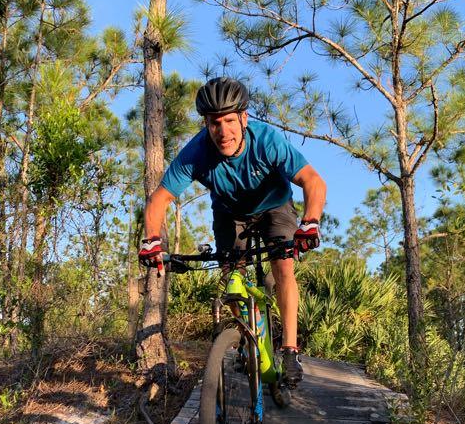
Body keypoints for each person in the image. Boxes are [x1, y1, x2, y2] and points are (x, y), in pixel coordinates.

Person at [138, 77, 327, 387]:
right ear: (206, 124)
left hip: (274, 207)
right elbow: (160, 198)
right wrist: (152, 240)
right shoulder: (197, 152)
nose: (222, 131)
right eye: (214, 123)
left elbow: (313, 180)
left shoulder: (267, 140)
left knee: (283, 268)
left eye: (229, 120)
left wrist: (310, 221)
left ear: (244, 118)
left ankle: (290, 350)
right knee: (231, 277)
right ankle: (246, 335)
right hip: (229, 213)